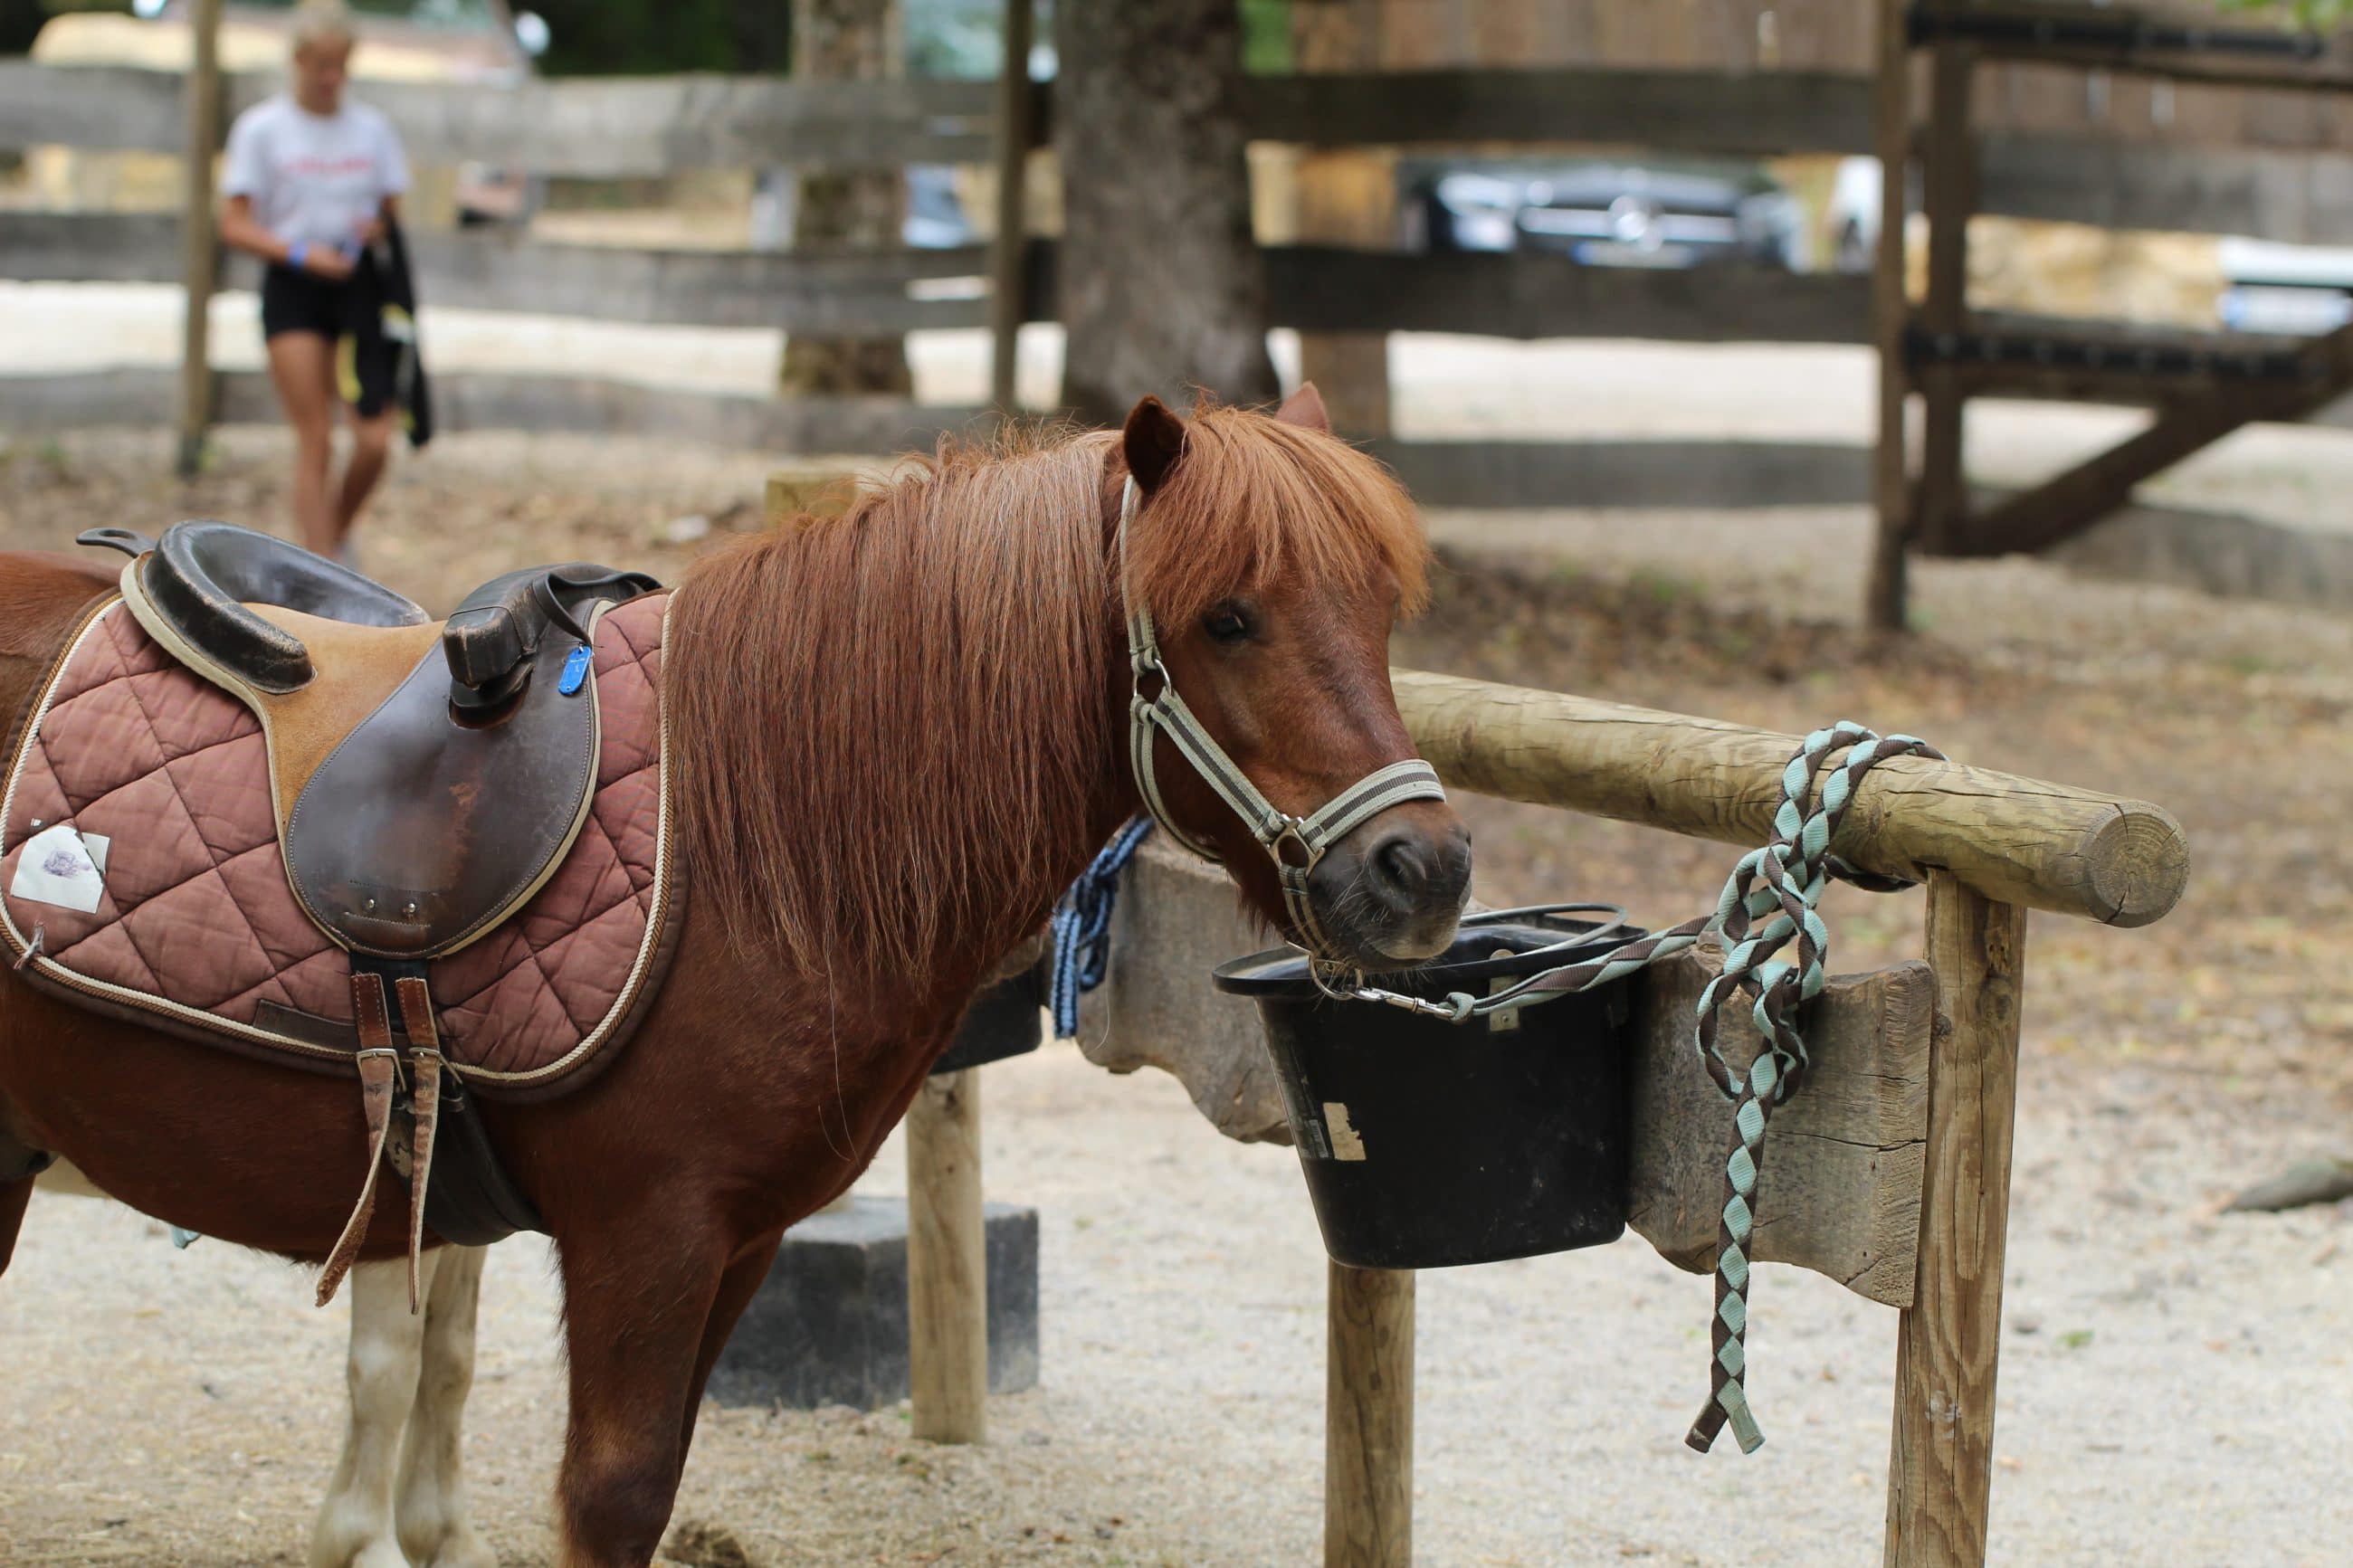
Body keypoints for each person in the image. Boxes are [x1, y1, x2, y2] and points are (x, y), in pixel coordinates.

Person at [217, 0, 409, 563]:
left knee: (374, 441)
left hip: (357, 290)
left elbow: (392, 206)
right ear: (297, 60)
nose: (331, 79)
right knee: (316, 436)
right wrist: (301, 252)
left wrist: (375, 226)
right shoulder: (262, 129)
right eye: (321, 65)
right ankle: (322, 568)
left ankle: (335, 538)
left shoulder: (371, 129)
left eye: (341, 66)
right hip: (294, 286)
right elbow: (233, 224)